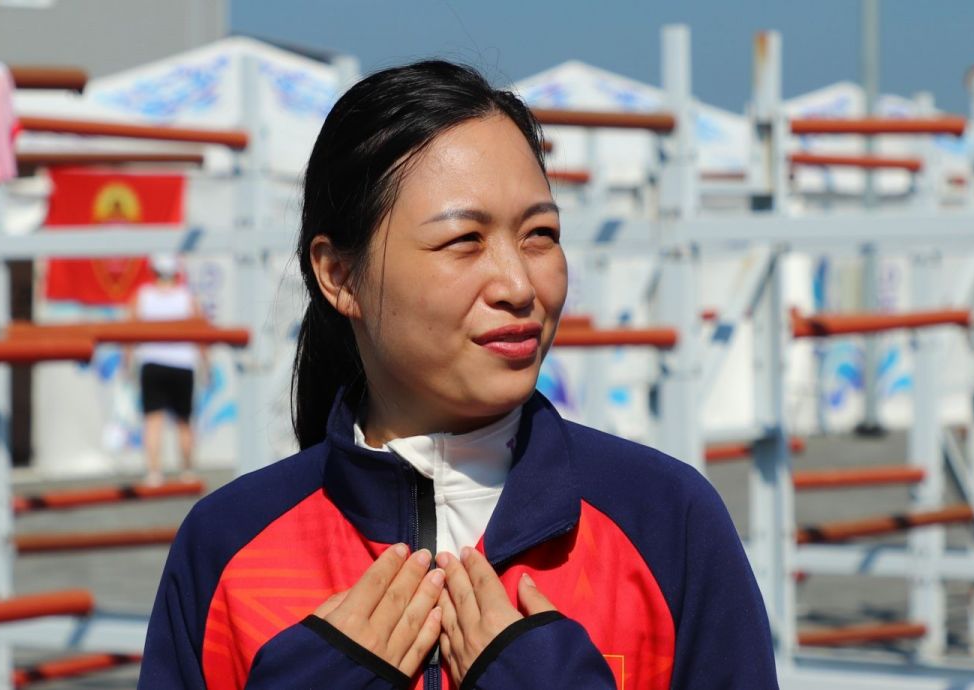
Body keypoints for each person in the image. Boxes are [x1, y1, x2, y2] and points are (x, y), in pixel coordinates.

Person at [138, 61, 776, 689]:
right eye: (464, 240)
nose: (518, 285)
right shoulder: (227, 546)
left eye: (540, 234)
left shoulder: (665, 521)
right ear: (339, 275)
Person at [127, 253, 208, 486]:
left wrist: (127, 362)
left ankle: (154, 473)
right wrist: (206, 364)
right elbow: (201, 333)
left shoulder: (142, 296)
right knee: (184, 421)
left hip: (153, 362)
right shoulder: (187, 297)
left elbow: (128, 331)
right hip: (182, 364)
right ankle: (187, 470)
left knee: (153, 420)